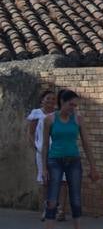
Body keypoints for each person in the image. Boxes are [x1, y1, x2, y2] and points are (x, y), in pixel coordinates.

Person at [40, 88, 98, 229]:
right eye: (71, 104)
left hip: (74, 160)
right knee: (52, 200)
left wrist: (93, 165)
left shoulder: (78, 119)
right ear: (62, 103)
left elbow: (86, 143)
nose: (73, 108)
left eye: (75, 105)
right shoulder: (49, 120)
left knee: (76, 199)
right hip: (55, 160)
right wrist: (43, 168)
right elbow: (45, 145)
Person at [26, 89, 63, 220]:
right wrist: (37, 147)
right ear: (42, 100)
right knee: (45, 180)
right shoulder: (36, 113)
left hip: (58, 151)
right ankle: (47, 209)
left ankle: (59, 209)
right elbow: (31, 133)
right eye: (48, 99)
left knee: (61, 180)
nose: (51, 101)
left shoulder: (59, 114)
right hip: (43, 151)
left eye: (53, 99)